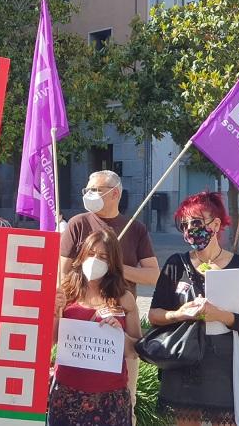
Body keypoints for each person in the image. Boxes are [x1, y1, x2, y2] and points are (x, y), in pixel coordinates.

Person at [149, 191, 239, 425]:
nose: (190, 229)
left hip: (225, 366)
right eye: (185, 224)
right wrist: (179, 313)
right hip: (184, 361)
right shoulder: (175, 264)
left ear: (216, 223)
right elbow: (154, 315)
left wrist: (221, 316)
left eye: (197, 222)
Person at [60, 170, 159, 420]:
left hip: (120, 328)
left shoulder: (136, 229)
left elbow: (152, 275)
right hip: (79, 337)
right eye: (88, 189)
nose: (90, 194)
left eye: (96, 190)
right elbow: (63, 274)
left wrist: (114, 268)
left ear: (115, 193)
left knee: (123, 405)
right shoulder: (78, 224)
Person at [49, 229, 141, 426]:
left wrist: (119, 335)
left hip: (110, 399)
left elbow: (135, 350)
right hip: (66, 395)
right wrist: (54, 312)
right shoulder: (65, 293)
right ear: (81, 256)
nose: (94, 260)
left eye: (102, 257)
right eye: (91, 254)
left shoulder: (124, 299)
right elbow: (50, 341)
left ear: (112, 263)